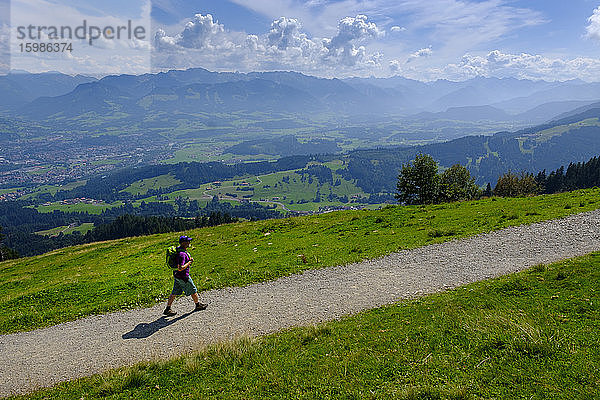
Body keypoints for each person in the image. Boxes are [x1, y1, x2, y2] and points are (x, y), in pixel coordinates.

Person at [163, 235, 207, 316]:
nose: (189, 242)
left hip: (177, 276)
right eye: (188, 241)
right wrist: (190, 262)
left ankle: (167, 309)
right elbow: (180, 268)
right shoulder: (182, 254)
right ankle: (198, 305)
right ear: (183, 243)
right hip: (183, 276)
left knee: (174, 292)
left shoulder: (180, 251)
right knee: (193, 290)